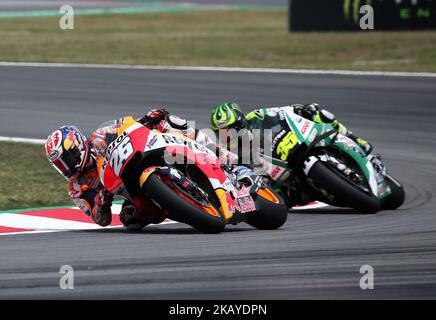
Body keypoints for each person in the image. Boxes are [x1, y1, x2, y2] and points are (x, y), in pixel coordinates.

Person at [45, 109, 236, 230]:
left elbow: (127, 126)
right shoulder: (77, 187)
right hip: (128, 188)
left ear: (77, 145)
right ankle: (180, 207)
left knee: (171, 122)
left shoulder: (100, 136)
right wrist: (101, 202)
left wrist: (147, 119)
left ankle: (219, 153)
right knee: (129, 220)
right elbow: (100, 219)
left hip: (141, 155)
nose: (67, 167)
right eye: (60, 165)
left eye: (66, 159)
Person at [210, 102, 373, 159]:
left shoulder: (256, 117)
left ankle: (356, 139)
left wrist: (302, 110)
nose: (227, 135)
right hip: (277, 176)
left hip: (292, 144)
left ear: (239, 122)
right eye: (221, 132)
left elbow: (283, 111)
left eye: (229, 129)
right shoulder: (230, 151)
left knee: (322, 115)